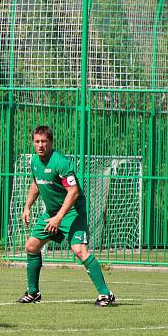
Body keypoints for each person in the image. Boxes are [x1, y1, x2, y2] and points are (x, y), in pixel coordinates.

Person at [17, 126, 116, 306]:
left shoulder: (61, 162)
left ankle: (106, 294)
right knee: (31, 246)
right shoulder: (34, 162)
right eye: (37, 141)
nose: (40, 145)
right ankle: (33, 293)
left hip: (72, 212)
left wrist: (59, 218)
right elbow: (36, 183)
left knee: (79, 250)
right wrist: (27, 206)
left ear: (51, 142)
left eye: (44, 141)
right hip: (52, 213)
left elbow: (74, 192)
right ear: (33, 143)